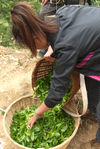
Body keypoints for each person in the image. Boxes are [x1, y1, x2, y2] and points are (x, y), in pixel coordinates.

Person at [10, 2, 100, 148]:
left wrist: (37, 113)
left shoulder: (66, 47)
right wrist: (53, 49)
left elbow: (57, 92)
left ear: (35, 36)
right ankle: (94, 111)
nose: (35, 49)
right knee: (93, 89)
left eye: (31, 45)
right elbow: (70, 36)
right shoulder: (60, 14)